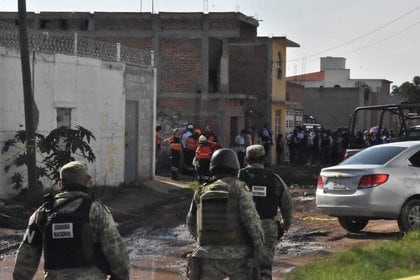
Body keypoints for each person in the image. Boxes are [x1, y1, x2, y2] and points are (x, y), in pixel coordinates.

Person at [13, 161, 130, 280]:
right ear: (86, 182)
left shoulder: (42, 213)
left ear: (60, 184)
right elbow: (116, 252)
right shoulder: (96, 211)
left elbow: (25, 259)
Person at [186, 148, 264, 280]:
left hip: (207, 256)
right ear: (235, 168)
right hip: (238, 257)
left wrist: (204, 242)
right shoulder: (239, 189)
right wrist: (259, 247)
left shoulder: (201, 190)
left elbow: (191, 221)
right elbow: (251, 222)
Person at [238, 144, 293, 280]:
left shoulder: (238, 177)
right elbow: (286, 202)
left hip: (241, 226)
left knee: (241, 266)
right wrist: (287, 223)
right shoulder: (275, 179)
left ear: (246, 159)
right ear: (264, 159)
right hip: (267, 227)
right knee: (265, 266)